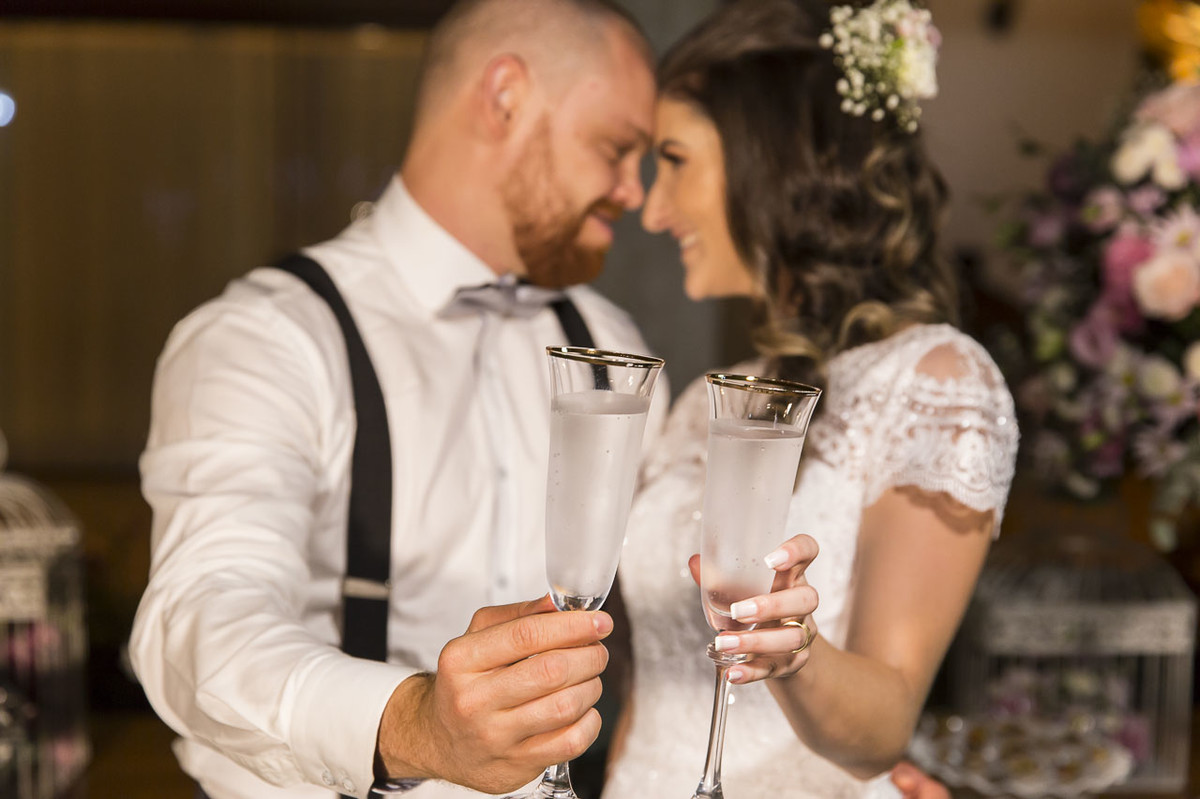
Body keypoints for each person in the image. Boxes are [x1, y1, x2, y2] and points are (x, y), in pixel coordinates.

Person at [127, 2, 666, 798]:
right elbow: (199, 624)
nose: (635, 193)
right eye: (616, 148)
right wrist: (416, 724)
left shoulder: (609, 340)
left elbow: (671, 615)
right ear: (505, 96)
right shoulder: (268, 334)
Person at [603, 1, 1018, 797]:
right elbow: (647, 693)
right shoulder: (701, 405)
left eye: (676, 160)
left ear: (776, 160)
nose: (652, 210)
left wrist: (791, 651)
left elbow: (884, 722)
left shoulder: (934, 385)